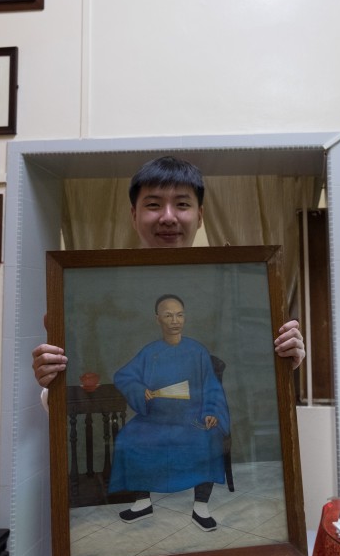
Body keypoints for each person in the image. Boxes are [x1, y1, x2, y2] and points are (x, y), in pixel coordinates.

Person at [32, 156, 305, 393]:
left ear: (199, 216)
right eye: (153, 205)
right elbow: (91, 381)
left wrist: (281, 363)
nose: (168, 217)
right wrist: (52, 382)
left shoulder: (231, 287)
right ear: (133, 215)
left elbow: (240, 381)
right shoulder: (101, 291)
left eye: (182, 205)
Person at [108, 294, 229, 531]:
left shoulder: (197, 351)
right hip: (155, 418)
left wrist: (211, 411)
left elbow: (211, 387)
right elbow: (123, 376)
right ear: (158, 320)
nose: (175, 320)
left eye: (179, 314)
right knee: (127, 439)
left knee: (210, 437)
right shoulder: (150, 352)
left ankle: (201, 507)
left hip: (192, 417)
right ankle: (142, 503)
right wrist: (141, 390)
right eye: (168, 315)